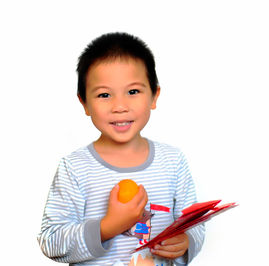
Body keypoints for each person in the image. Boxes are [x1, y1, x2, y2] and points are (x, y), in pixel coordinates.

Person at [37, 32, 205, 265]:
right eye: (104, 94)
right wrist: (108, 226)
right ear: (84, 103)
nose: (120, 106)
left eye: (133, 91)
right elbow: (51, 240)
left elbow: (193, 224)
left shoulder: (173, 161)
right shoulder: (74, 167)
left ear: (154, 96)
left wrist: (186, 241)